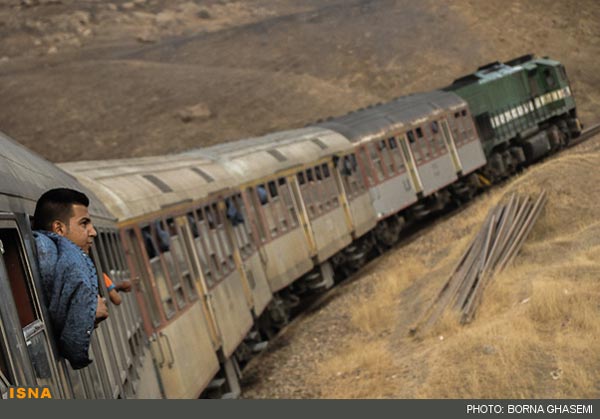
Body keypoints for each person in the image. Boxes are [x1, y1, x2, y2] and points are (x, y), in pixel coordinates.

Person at [32, 188, 108, 369]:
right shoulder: (72, 262)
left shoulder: (54, 258)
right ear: (59, 228)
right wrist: (88, 310)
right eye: (84, 224)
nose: (93, 232)